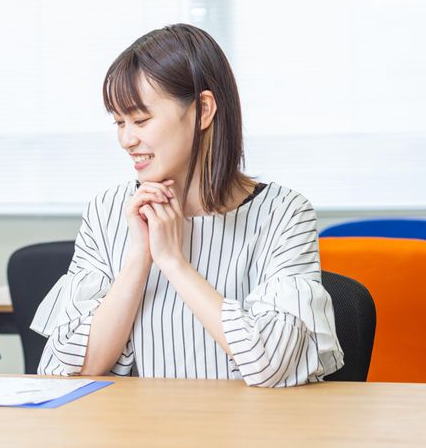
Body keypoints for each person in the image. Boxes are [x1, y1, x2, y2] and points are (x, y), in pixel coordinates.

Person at [31, 24, 344, 387]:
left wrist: (172, 261)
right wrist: (138, 259)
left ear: (203, 110)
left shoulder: (284, 213)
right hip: (138, 421)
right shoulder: (107, 210)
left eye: (140, 120)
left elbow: (270, 365)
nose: (126, 139)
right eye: (119, 122)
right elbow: (65, 369)